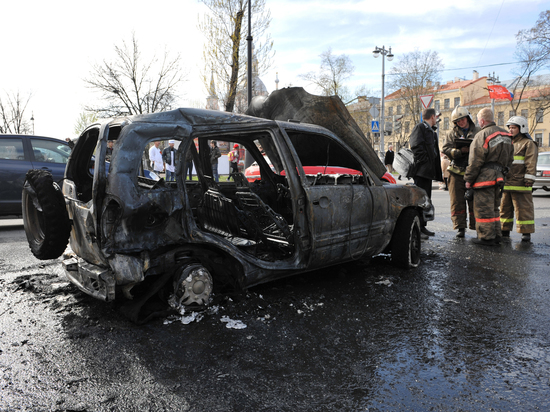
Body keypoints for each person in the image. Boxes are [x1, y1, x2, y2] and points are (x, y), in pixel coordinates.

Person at [464, 108, 514, 246]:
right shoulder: (507, 135)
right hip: (499, 177)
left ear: (481, 121)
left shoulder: (482, 135)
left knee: (483, 208)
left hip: (484, 179)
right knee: (494, 208)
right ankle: (496, 235)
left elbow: (475, 161)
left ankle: (486, 237)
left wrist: (468, 179)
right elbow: (510, 159)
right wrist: (503, 172)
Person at [442, 106, 480, 238]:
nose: (460, 122)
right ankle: (460, 227)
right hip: (456, 171)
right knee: (457, 201)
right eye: (457, 121)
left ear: (468, 118)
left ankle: (477, 227)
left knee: (474, 201)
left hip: (474, 171)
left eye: (462, 119)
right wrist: (458, 152)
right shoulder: (451, 134)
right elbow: (446, 149)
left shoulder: (478, 131)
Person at [500, 116, 538, 242]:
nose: (510, 130)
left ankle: (526, 232)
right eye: (509, 128)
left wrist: (529, 179)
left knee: (524, 209)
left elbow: (531, 162)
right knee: (504, 208)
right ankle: (504, 229)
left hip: (521, 183)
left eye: (513, 128)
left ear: (521, 128)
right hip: (507, 182)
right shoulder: (507, 142)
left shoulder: (528, 143)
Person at [409, 107, 443, 237]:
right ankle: (418, 229)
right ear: (432, 116)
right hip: (421, 172)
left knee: (426, 200)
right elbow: (415, 145)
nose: (437, 119)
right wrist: (424, 163)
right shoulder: (420, 128)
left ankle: (423, 227)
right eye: (436, 117)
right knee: (420, 201)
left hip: (428, 172)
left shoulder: (431, 132)